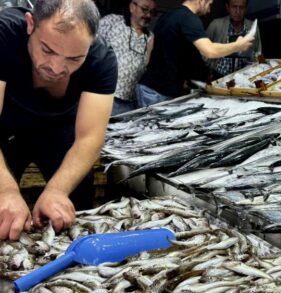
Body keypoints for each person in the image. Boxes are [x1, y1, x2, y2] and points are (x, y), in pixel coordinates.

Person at [0, 0, 118, 240]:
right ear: (30, 24)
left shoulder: (101, 59)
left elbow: (89, 137)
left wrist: (57, 190)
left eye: (74, 59)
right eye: (47, 50)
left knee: (73, 202)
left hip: (59, 130)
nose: (56, 67)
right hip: (6, 125)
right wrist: (6, 190)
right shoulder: (4, 34)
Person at [136, 0, 255, 107]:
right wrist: (238, 45)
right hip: (156, 92)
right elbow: (210, 51)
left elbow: (151, 50)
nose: (209, 9)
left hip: (153, 88)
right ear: (201, 1)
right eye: (209, 4)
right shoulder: (188, 18)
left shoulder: (168, 16)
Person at [99, 0, 156, 115]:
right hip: (102, 94)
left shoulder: (151, 37)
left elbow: (148, 67)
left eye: (152, 12)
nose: (148, 15)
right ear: (132, 7)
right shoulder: (112, 21)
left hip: (129, 102)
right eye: (144, 9)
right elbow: (89, 46)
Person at [205, 0, 261, 79]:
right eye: (234, 7)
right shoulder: (216, 25)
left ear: (245, 9)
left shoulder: (253, 27)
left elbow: (258, 53)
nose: (237, 11)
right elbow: (203, 50)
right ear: (228, 8)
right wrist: (209, 70)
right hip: (219, 77)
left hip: (244, 79)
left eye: (241, 7)